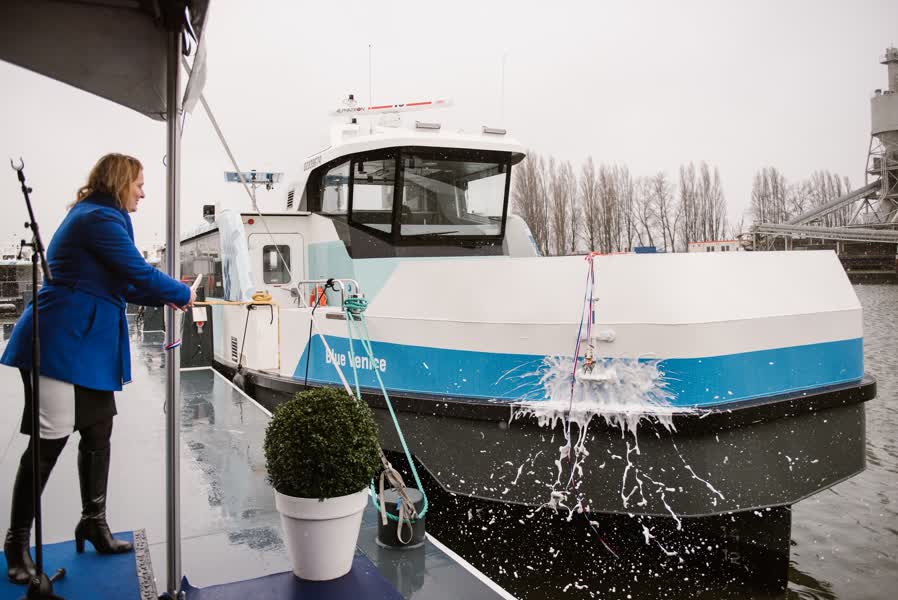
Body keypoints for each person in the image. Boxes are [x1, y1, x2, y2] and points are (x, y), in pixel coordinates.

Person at [1, 153, 194, 584]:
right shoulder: (98, 220)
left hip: (84, 345)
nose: (143, 192)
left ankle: (93, 521)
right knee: (48, 443)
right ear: (121, 181)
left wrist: (170, 298)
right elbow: (137, 273)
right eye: (140, 184)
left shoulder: (105, 219)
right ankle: (16, 545)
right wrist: (181, 291)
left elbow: (122, 285)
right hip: (57, 342)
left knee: (99, 429)